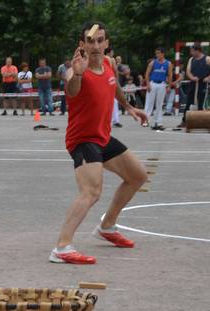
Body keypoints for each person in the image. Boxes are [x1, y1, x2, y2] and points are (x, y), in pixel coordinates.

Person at [50, 22, 149, 265]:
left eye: (100, 40)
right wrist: (79, 72)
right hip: (83, 140)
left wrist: (128, 107)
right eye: (90, 41)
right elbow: (72, 92)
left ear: (106, 43)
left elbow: (113, 85)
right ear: (82, 44)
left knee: (137, 176)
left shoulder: (108, 63)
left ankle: (107, 227)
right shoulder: (75, 70)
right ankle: (62, 248)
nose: (95, 45)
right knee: (91, 191)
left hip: (103, 137)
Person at [178, 46, 210, 127]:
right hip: (193, 83)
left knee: (201, 104)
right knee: (188, 103)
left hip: (203, 84)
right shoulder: (191, 59)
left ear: (198, 51)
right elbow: (188, 72)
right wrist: (192, 78)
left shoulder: (207, 59)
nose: (191, 53)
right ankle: (184, 121)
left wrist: (209, 77)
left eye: (192, 51)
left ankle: (201, 122)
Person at [143, 47, 173, 130]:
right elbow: (147, 74)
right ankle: (145, 120)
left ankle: (158, 121)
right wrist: (148, 84)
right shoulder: (153, 63)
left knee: (159, 104)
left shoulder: (168, 64)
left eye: (159, 53)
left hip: (162, 84)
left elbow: (170, 75)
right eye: (156, 53)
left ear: (163, 54)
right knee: (149, 103)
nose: (157, 55)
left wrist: (169, 86)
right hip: (153, 83)